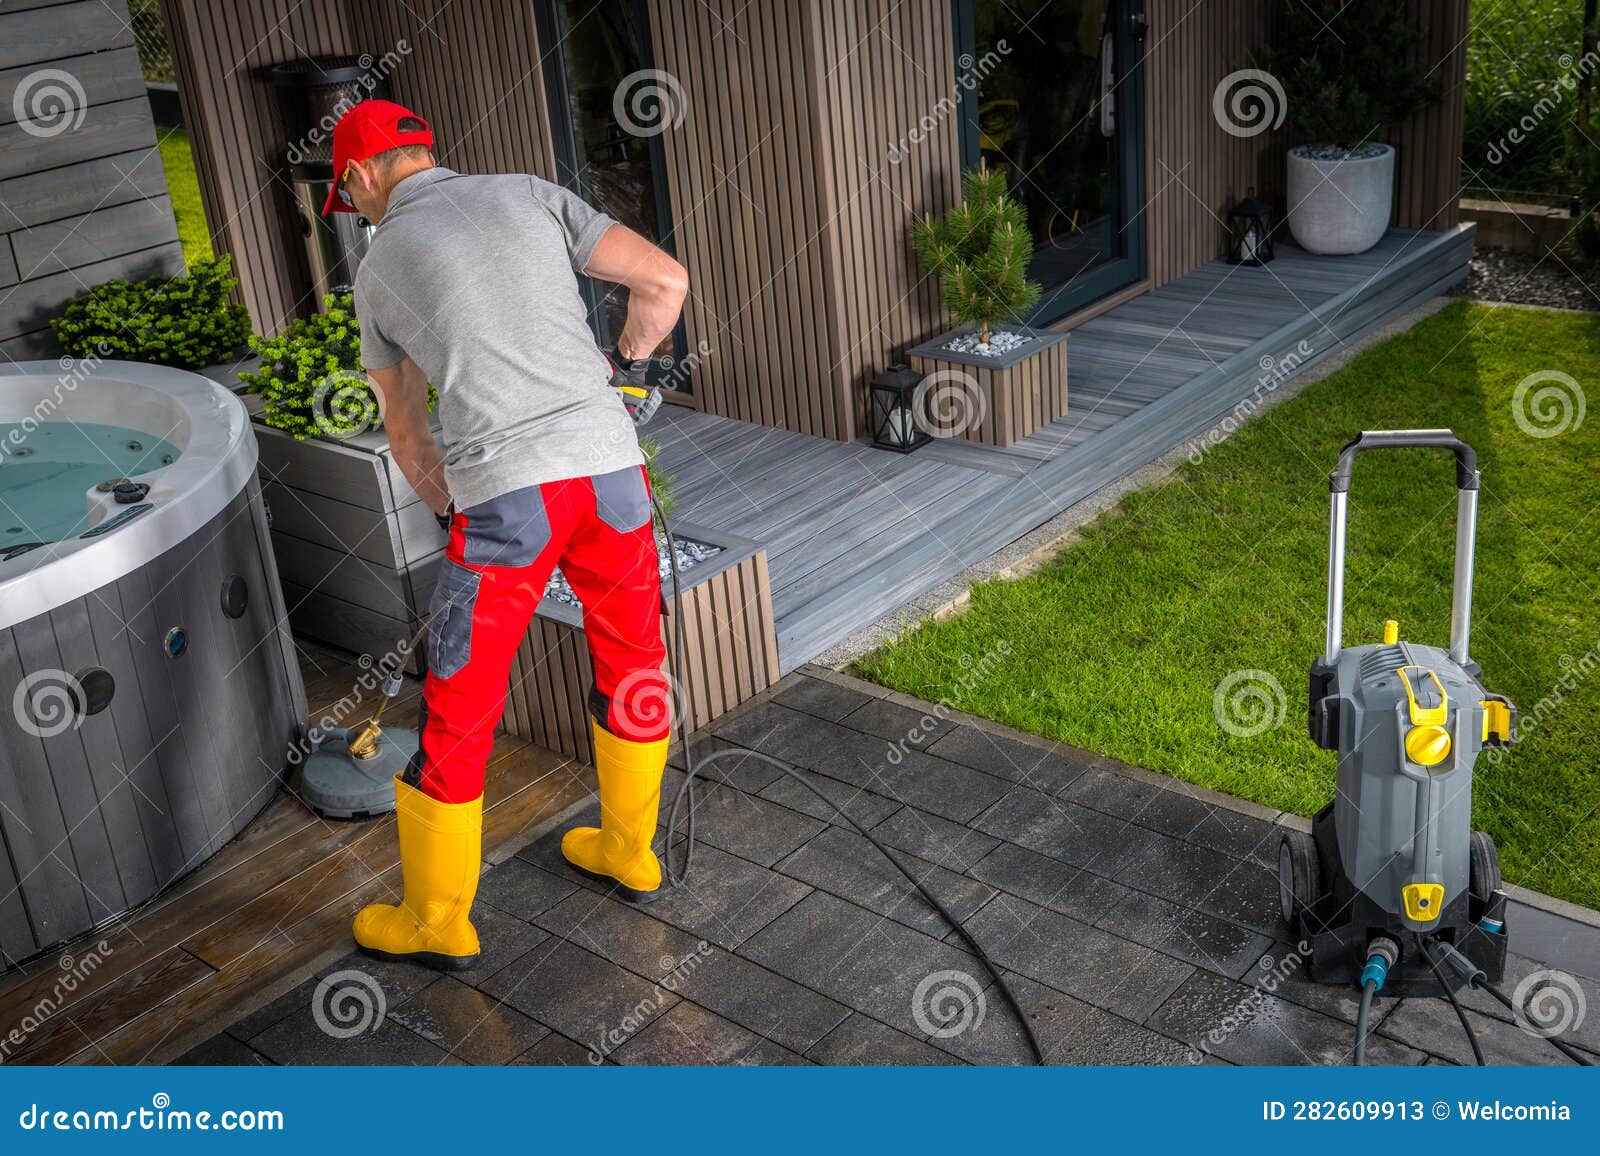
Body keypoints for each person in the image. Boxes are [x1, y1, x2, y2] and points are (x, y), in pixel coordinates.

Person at [321, 99, 688, 970]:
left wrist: (462, 510)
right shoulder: (530, 193)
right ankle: (630, 850)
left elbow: (408, 439)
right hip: (614, 479)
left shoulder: (378, 271)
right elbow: (664, 282)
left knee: (461, 696)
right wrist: (624, 371)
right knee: (634, 660)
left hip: (509, 504)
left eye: (349, 194)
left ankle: (437, 918)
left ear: (363, 172)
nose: (356, 209)